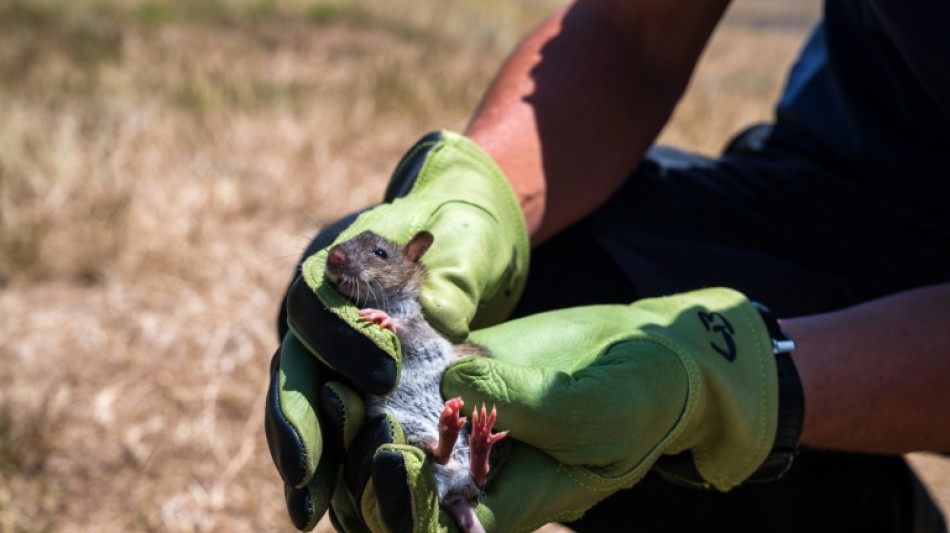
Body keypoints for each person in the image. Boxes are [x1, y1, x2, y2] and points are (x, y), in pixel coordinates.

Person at [265, 0, 950, 531]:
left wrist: (739, 380)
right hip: (828, 186)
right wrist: (479, 195)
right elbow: (632, 33)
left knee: (648, 407)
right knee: (343, 338)